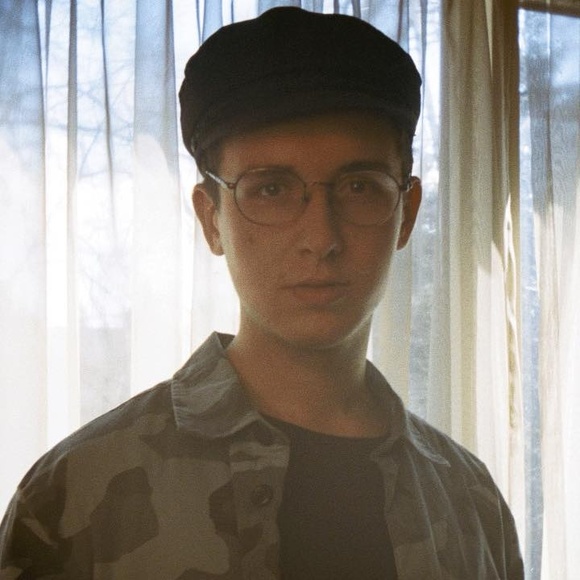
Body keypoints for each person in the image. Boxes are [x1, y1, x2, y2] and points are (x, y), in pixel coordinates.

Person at [0, 7, 523, 579]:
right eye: (271, 189)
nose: (321, 238)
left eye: (359, 187)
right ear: (212, 220)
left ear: (406, 213)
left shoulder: (472, 504)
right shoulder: (73, 497)